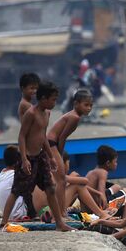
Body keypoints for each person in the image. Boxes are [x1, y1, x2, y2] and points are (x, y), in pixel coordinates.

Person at [0, 80, 73, 232]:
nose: (54, 102)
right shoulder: (31, 114)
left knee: (50, 187)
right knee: (16, 191)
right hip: (28, 157)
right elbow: (22, 136)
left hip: (40, 157)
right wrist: (24, 159)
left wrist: (50, 156)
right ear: (43, 98)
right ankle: (3, 223)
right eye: (53, 99)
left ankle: (59, 222)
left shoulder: (47, 113)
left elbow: (43, 136)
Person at [47, 89, 93, 218]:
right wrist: (60, 156)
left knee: (59, 179)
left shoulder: (73, 115)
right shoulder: (74, 117)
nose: (89, 108)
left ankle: (60, 211)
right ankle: (61, 212)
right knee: (61, 180)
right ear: (76, 103)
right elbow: (62, 138)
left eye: (91, 105)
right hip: (52, 144)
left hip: (51, 143)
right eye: (86, 105)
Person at [32, 151, 113, 221]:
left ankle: (94, 212)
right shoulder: (55, 174)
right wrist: (73, 176)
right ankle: (100, 214)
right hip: (48, 213)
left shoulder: (47, 173)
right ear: (62, 164)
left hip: (44, 212)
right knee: (77, 186)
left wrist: (97, 193)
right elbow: (84, 181)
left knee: (77, 189)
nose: (68, 167)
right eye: (68, 163)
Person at [86, 145, 126, 217]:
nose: (116, 164)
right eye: (115, 162)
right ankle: (124, 224)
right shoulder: (103, 172)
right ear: (108, 163)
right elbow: (101, 195)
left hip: (90, 205)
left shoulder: (91, 172)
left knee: (117, 187)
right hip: (97, 207)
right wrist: (105, 210)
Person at [0, 145, 34, 221]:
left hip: (8, 215)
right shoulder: (15, 175)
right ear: (18, 161)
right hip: (20, 214)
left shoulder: (2, 173)